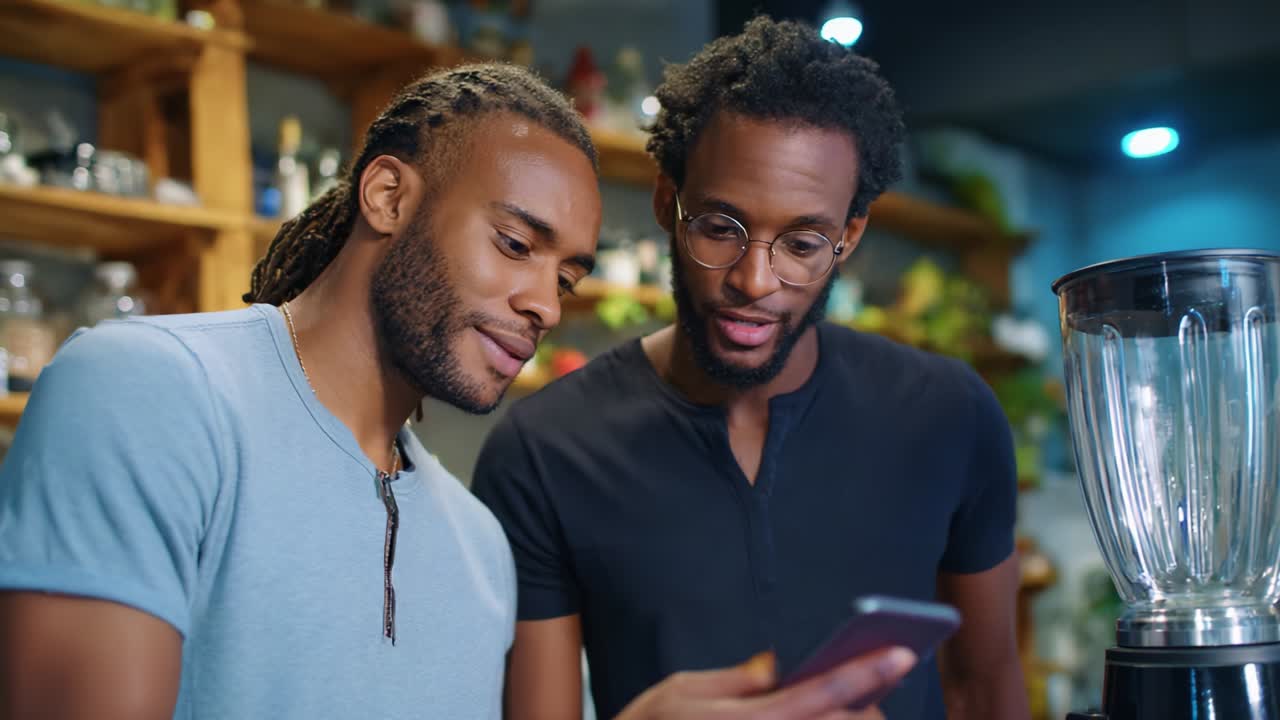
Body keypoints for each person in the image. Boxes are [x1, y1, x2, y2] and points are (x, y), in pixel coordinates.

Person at [0, 63, 915, 719]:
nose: (540, 302)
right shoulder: (151, 392)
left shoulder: (479, 547)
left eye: (566, 276)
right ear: (389, 195)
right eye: (516, 245)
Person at [470, 16, 1030, 720]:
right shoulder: (544, 452)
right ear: (665, 205)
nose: (755, 281)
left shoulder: (950, 417)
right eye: (720, 227)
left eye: (801, 242)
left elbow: (985, 686)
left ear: (848, 237)